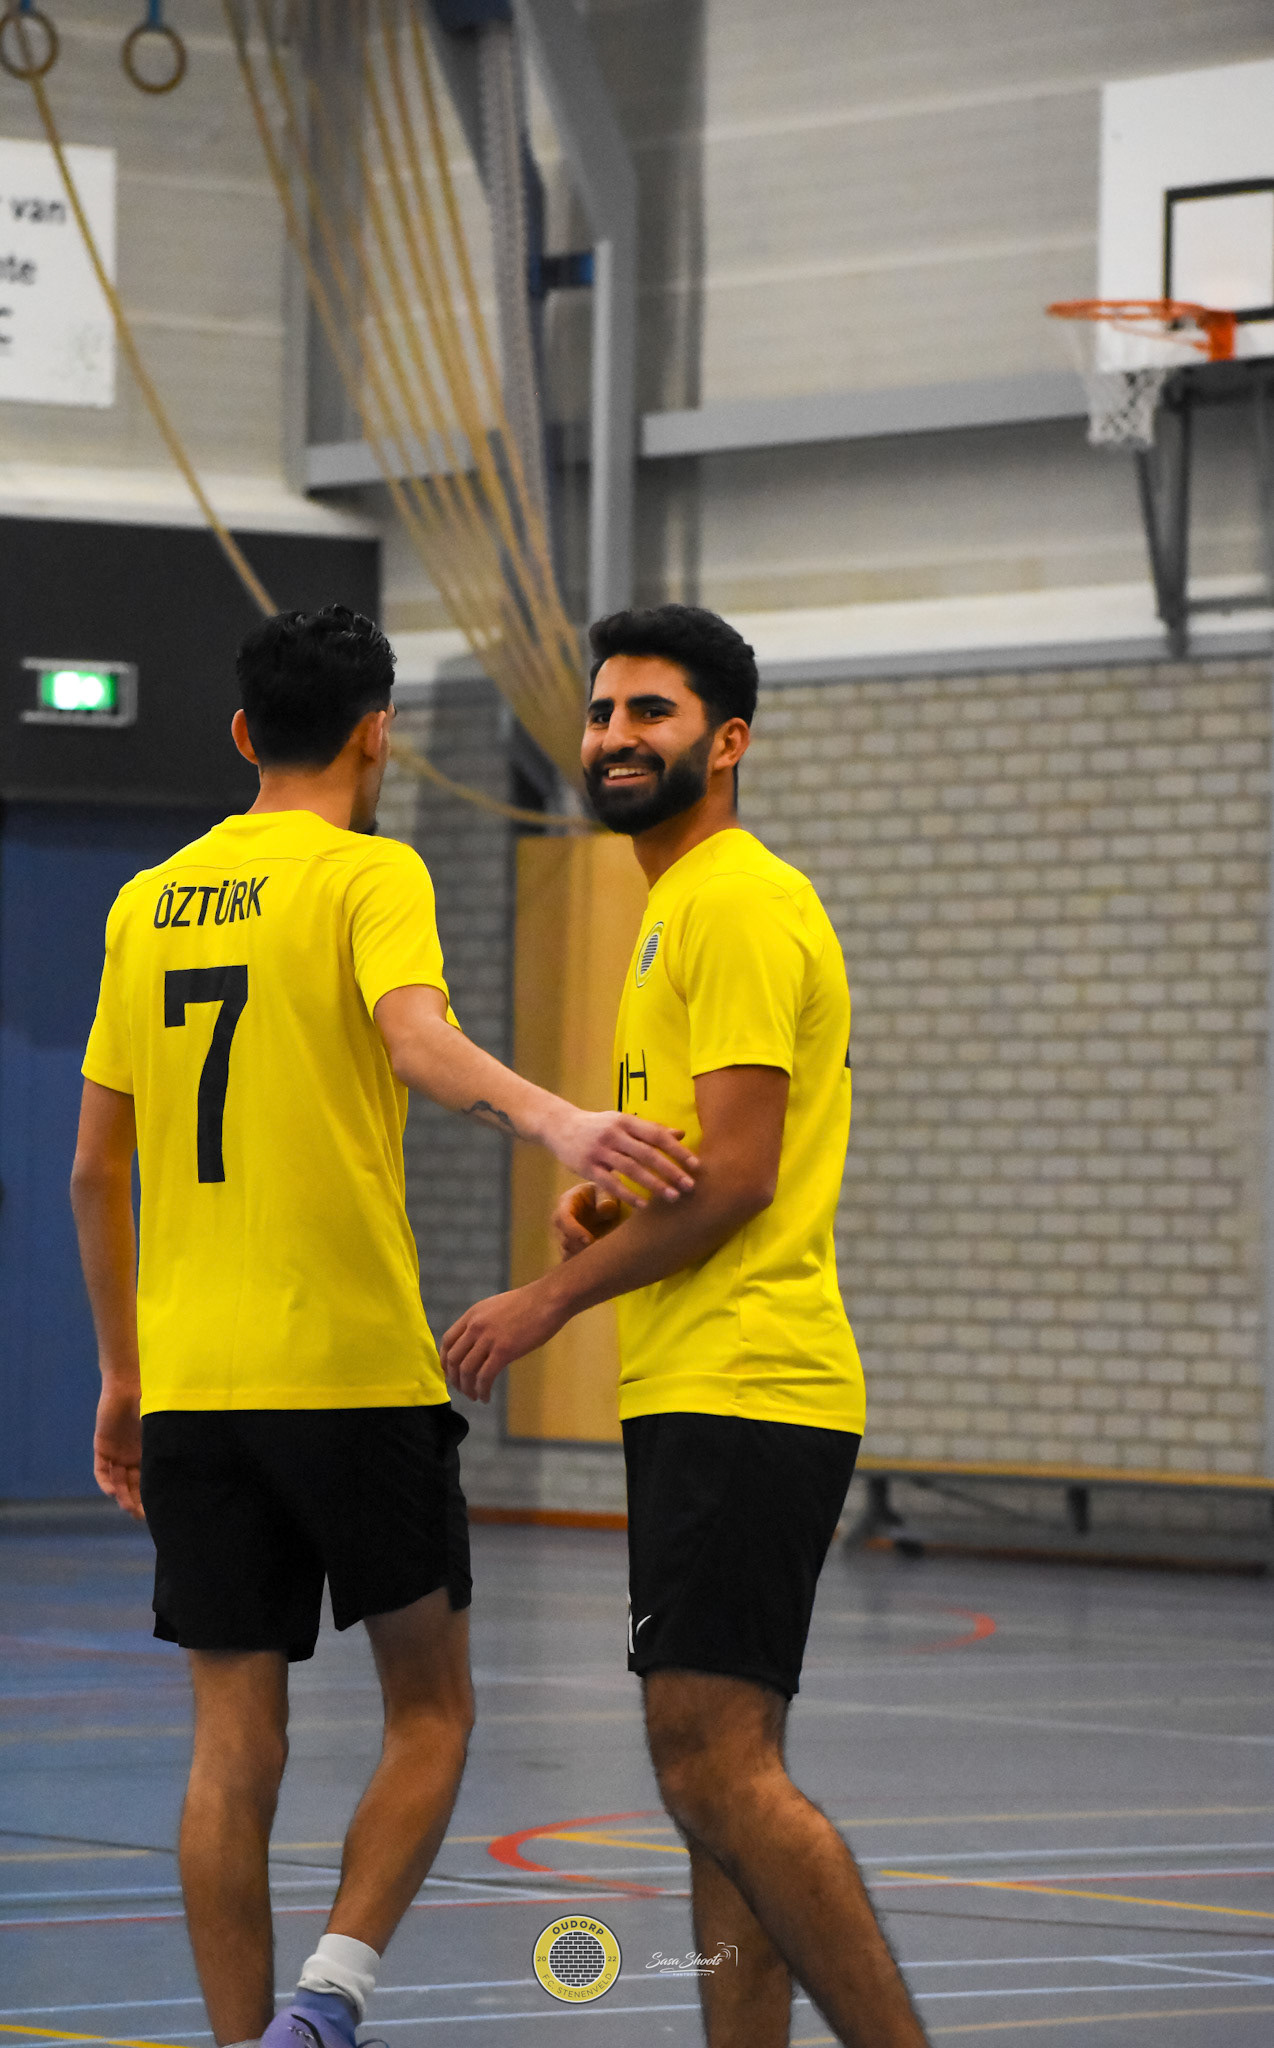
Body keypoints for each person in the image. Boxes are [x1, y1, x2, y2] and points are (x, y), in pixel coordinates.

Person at [69, 605, 698, 2048]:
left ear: (243, 733)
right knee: (432, 1709)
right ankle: (331, 1998)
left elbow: (96, 1169)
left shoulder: (143, 903)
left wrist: (123, 1375)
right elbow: (417, 1041)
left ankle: (248, 2041)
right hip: (350, 1375)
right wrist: (559, 1121)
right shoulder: (371, 872)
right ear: (378, 737)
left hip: (197, 1391)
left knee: (232, 1742)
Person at [443, 603, 931, 2048]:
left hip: (745, 1381)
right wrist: (603, 1209)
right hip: (700, 1385)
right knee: (715, 1782)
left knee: (715, 1771)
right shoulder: (675, 908)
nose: (613, 736)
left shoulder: (733, 900)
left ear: (726, 743)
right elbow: (700, 1155)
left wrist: (545, 1300)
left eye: (649, 712)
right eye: (602, 712)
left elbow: (740, 1179)